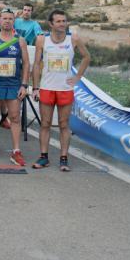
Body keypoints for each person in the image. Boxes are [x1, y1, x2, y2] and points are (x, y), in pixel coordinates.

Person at [32, 9, 91, 171]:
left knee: (64, 124)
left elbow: (87, 57)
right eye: (58, 21)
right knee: (45, 123)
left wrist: (78, 77)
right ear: (51, 24)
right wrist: (35, 87)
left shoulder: (74, 38)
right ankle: (44, 157)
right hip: (46, 87)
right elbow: (36, 64)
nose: (62, 24)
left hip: (65, 88)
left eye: (64, 21)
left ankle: (63, 158)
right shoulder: (41, 40)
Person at [0, 8, 30, 166]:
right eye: (4, 18)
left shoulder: (19, 40)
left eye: (10, 18)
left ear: (13, 21)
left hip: (13, 85)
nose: (7, 21)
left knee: (15, 117)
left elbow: (27, 63)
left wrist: (24, 85)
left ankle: (16, 151)